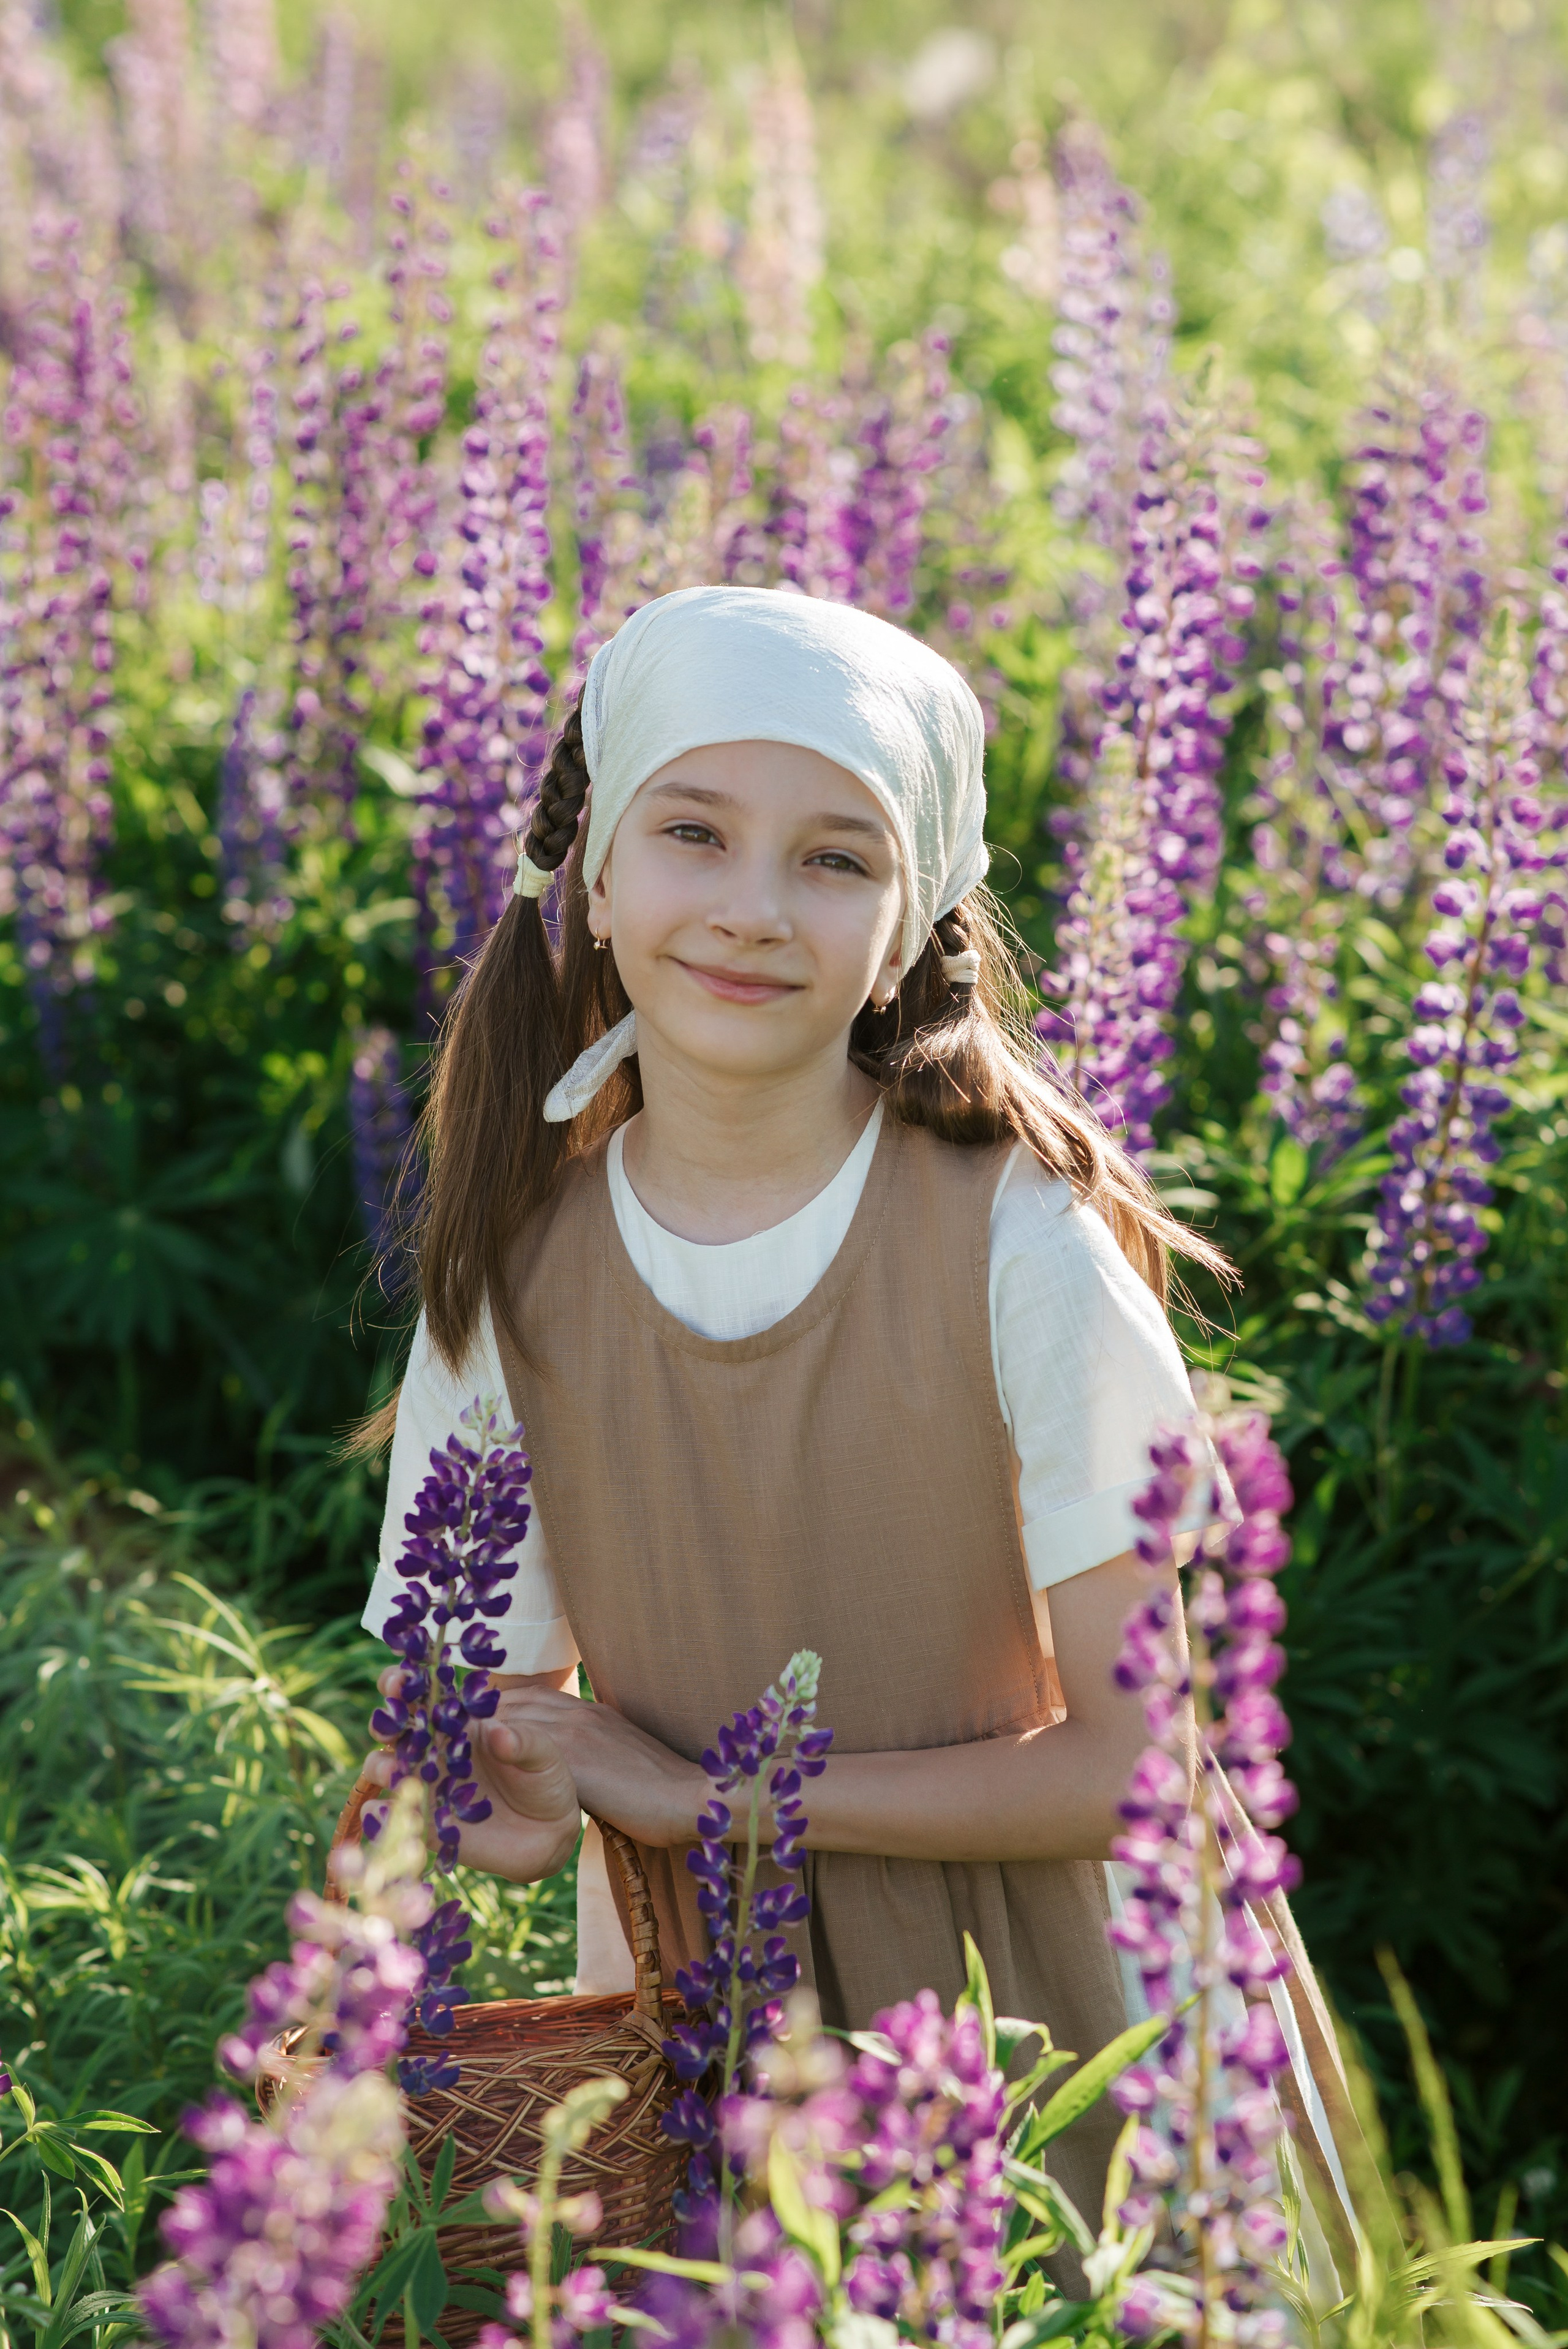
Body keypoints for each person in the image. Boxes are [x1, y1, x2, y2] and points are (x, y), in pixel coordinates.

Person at [358, 584, 1234, 2241]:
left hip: (1050, 2027)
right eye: (694, 830)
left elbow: (1136, 1767)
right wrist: (512, 1779)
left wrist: (729, 1795)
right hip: (695, 2049)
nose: (754, 906)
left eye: (836, 857)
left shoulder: (1015, 1245)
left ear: (911, 926)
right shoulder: (514, 1277)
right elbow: (505, 1790)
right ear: (600, 875)